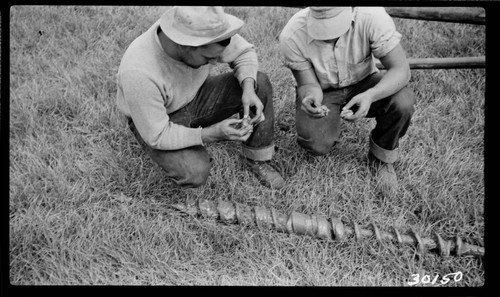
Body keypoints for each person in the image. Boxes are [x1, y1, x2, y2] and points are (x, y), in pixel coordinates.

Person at [116, 6, 285, 189]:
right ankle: (189, 144)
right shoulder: (139, 71)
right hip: (160, 120)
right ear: (184, 45)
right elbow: (157, 135)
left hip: (196, 95)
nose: (215, 62)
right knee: (194, 171)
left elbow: (243, 53)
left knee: (258, 81)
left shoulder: (204, 30)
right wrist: (213, 133)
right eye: (208, 58)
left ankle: (257, 158)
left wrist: (248, 88)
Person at [279, 7, 415, 194]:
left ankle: (381, 157)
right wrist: (311, 98)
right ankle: (325, 122)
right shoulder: (292, 35)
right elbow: (308, 85)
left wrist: (370, 95)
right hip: (324, 89)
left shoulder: (372, 17)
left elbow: (401, 70)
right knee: (316, 144)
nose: (328, 35)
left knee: (403, 101)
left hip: (364, 82)